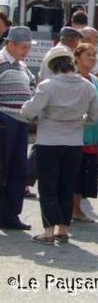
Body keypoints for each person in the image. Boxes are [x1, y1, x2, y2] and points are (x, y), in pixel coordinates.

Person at [21, 46, 98, 244]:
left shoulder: (48, 85)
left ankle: (48, 230)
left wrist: (38, 117)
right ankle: (64, 229)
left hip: (49, 140)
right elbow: (96, 116)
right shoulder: (87, 86)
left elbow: (29, 111)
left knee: (48, 186)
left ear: (53, 66)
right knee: (67, 185)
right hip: (74, 142)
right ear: (71, 64)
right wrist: (80, 121)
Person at [0, 27, 37, 230]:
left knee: (17, 170)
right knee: (2, 169)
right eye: (24, 47)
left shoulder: (21, 65)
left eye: (29, 47)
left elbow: (32, 85)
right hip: (4, 120)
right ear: (11, 44)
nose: (27, 51)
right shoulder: (1, 61)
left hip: (21, 121)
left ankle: (11, 216)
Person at [71, 43, 98, 223]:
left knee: (86, 172)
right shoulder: (73, 78)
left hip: (93, 135)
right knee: (75, 172)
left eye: (94, 55)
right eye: (88, 55)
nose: (93, 58)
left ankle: (77, 208)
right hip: (77, 135)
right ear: (77, 57)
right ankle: (72, 208)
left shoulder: (94, 79)